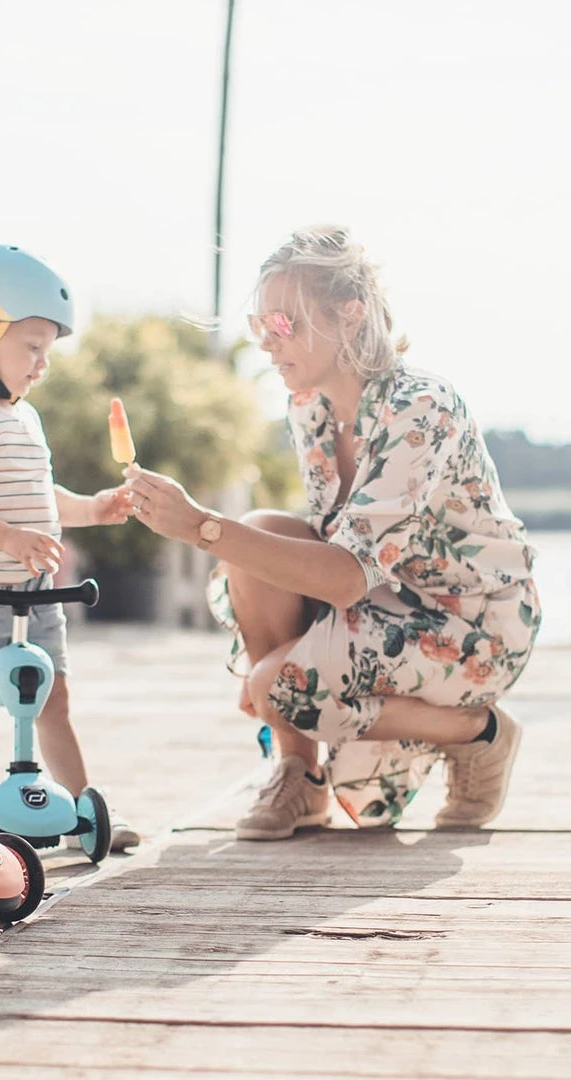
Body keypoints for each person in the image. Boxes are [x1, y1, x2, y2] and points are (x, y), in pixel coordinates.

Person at [125, 226, 541, 840]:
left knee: (273, 682)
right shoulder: (309, 407)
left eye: (284, 323)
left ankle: (481, 732)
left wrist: (199, 527)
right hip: (389, 604)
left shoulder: (422, 407)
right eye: (258, 324)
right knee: (261, 534)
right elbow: (329, 551)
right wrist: (219, 536)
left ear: (349, 318)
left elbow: (346, 577)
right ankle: (300, 776)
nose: (267, 342)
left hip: (472, 624)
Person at [0, 244, 140, 852]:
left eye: (47, 350)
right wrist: (7, 539)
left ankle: (84, 810)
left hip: (38, 596)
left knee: (54, 701)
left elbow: (41, 494)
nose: (42, 364)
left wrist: (93, 509)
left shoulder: (28, 418)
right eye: (33, 347)